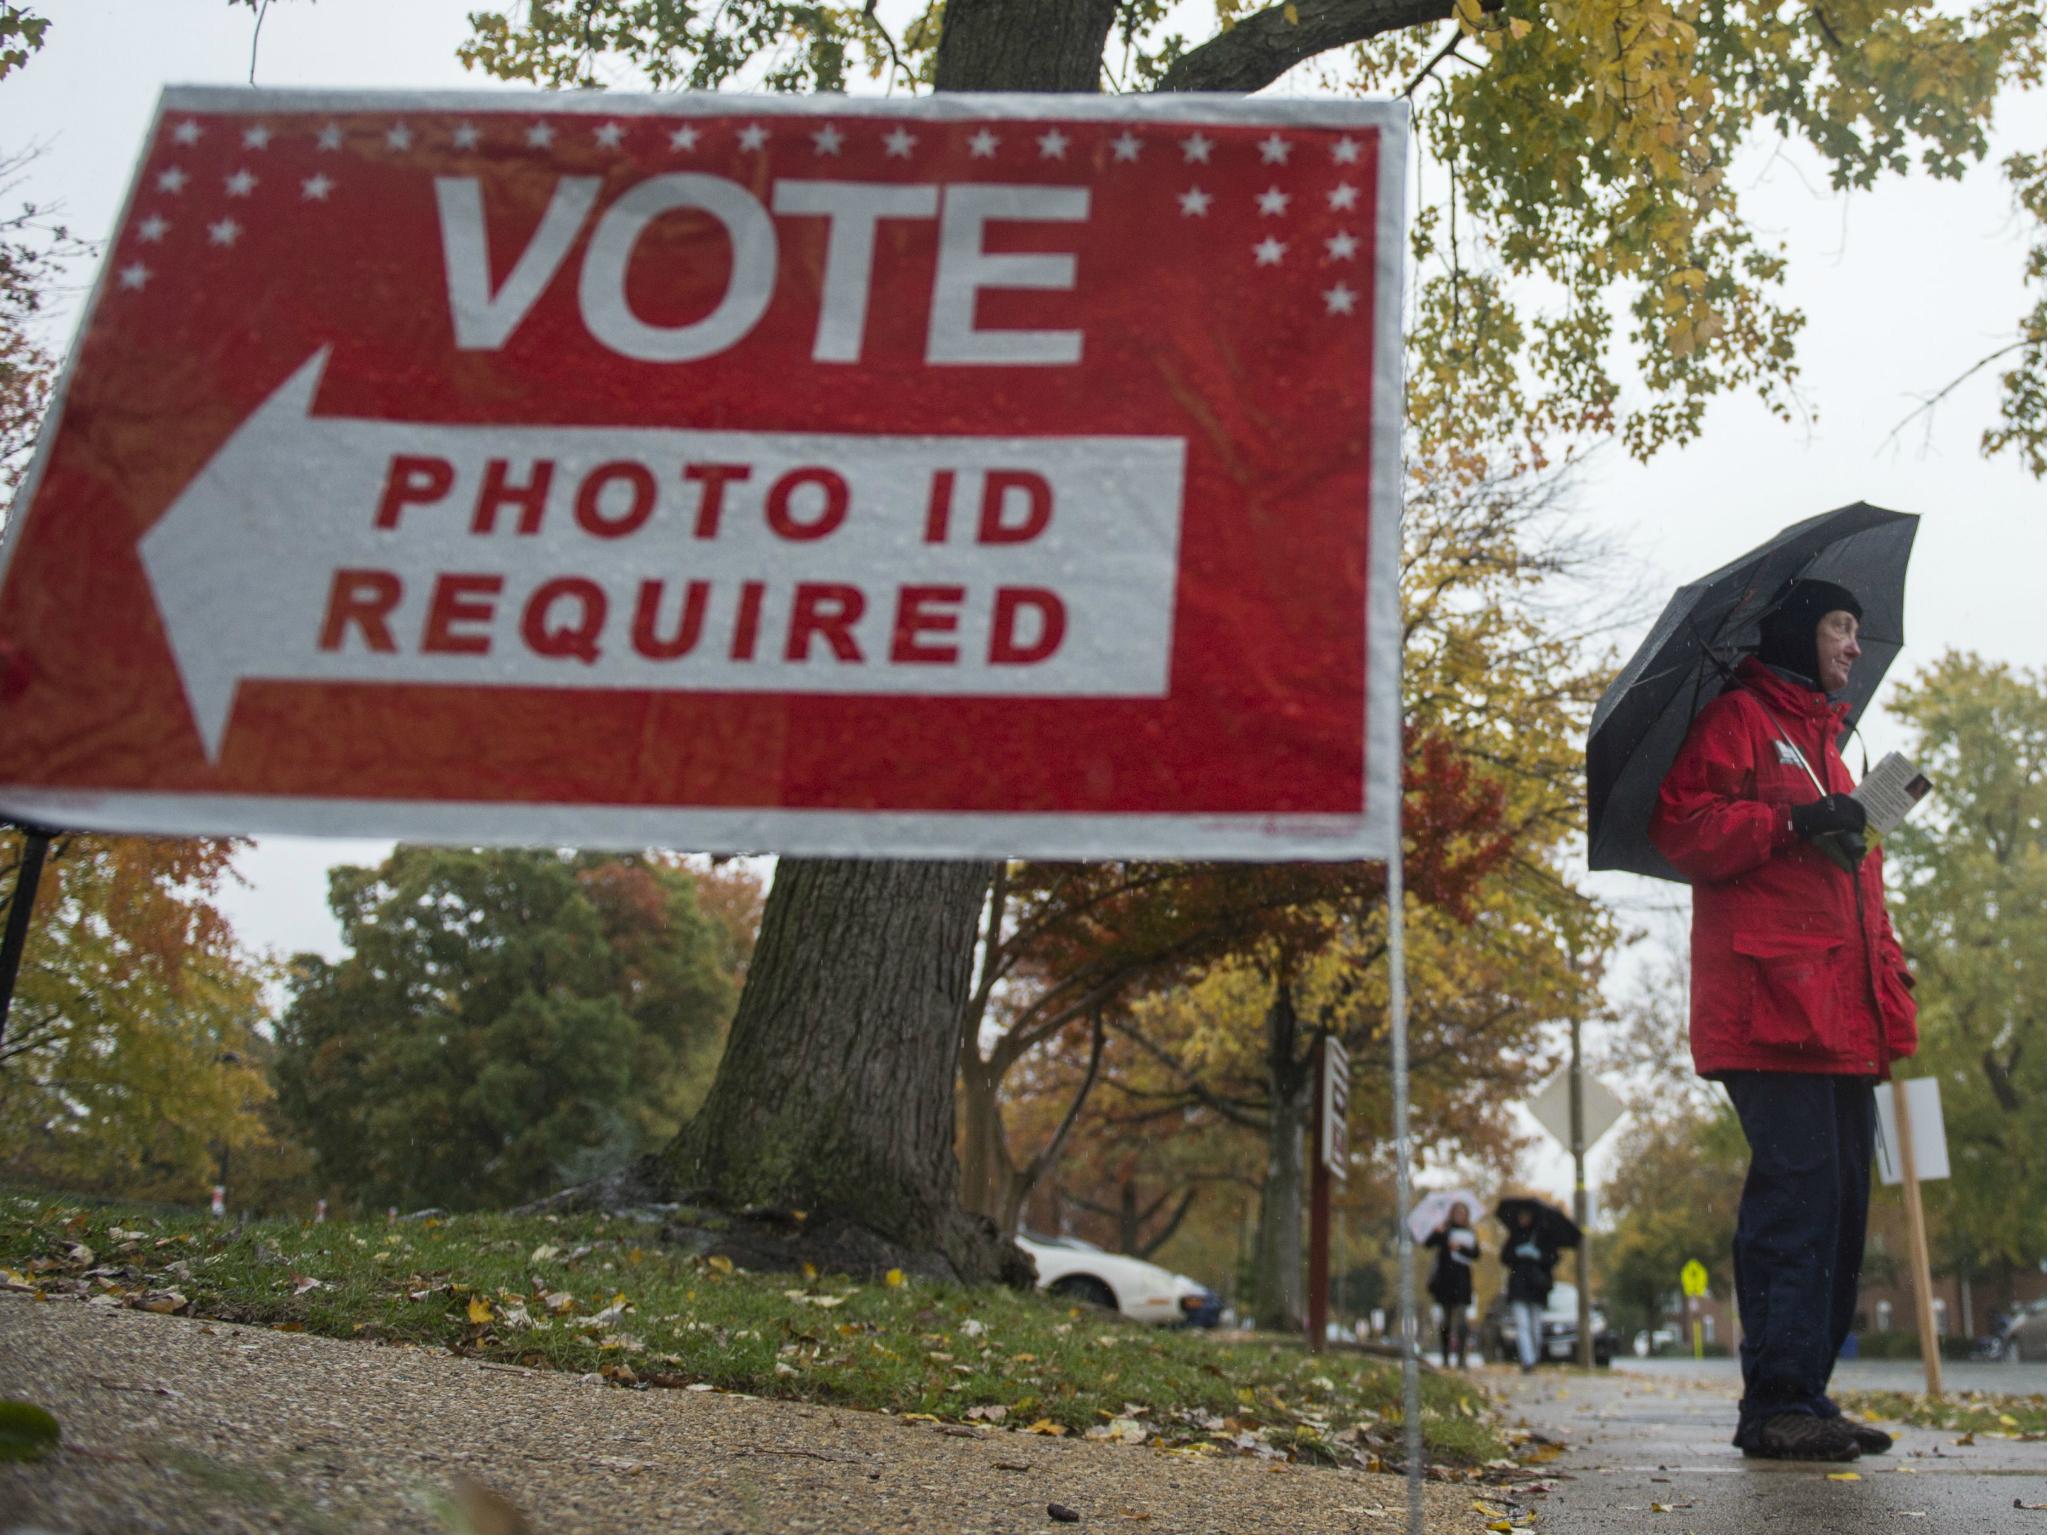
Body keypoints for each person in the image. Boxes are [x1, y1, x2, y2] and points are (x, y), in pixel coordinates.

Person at [1650, 577, 1919, 1463]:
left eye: (1856, 629)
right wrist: (1795, 820)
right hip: (1772, 1012)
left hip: (1842, 1018)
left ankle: (1807, 1393)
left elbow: (1845, 886)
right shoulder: (1737, 721)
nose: (1852, 644)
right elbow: (1683, 828)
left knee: (1841, 1209)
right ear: (1802, 632)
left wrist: (1888, 971)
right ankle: (1772, 1407)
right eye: (1842, 626)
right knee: (1796, 1204)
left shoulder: (1832, 747)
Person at [1425, 1202, 1481, 1367]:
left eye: (1462, 1213)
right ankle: (1445, 1357)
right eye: (1456, 1212)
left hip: (1462, 1281)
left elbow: (1476, 1254)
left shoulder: (1470, 1233)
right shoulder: (1444, 1230)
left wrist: (1461, 1247)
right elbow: (1428, 1244)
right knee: (1446, 1321)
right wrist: (1439, 1233)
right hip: (1444, 1281)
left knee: (1462, 1320)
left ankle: (1461, 1358)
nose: (1459, 1215)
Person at [1502, 1207, 1556, 1372]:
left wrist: (1538, 1255)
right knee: (1522, 1325)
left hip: (1536, 1287)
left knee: (1535, 1326)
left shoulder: (1543, 1237)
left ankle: (1534, 1355)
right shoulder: (1514, 1236)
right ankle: (1528, 1360)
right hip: (1518, 1287)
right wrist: (1517, 1254)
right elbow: (1504, 1257)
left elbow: (1552, 1258)